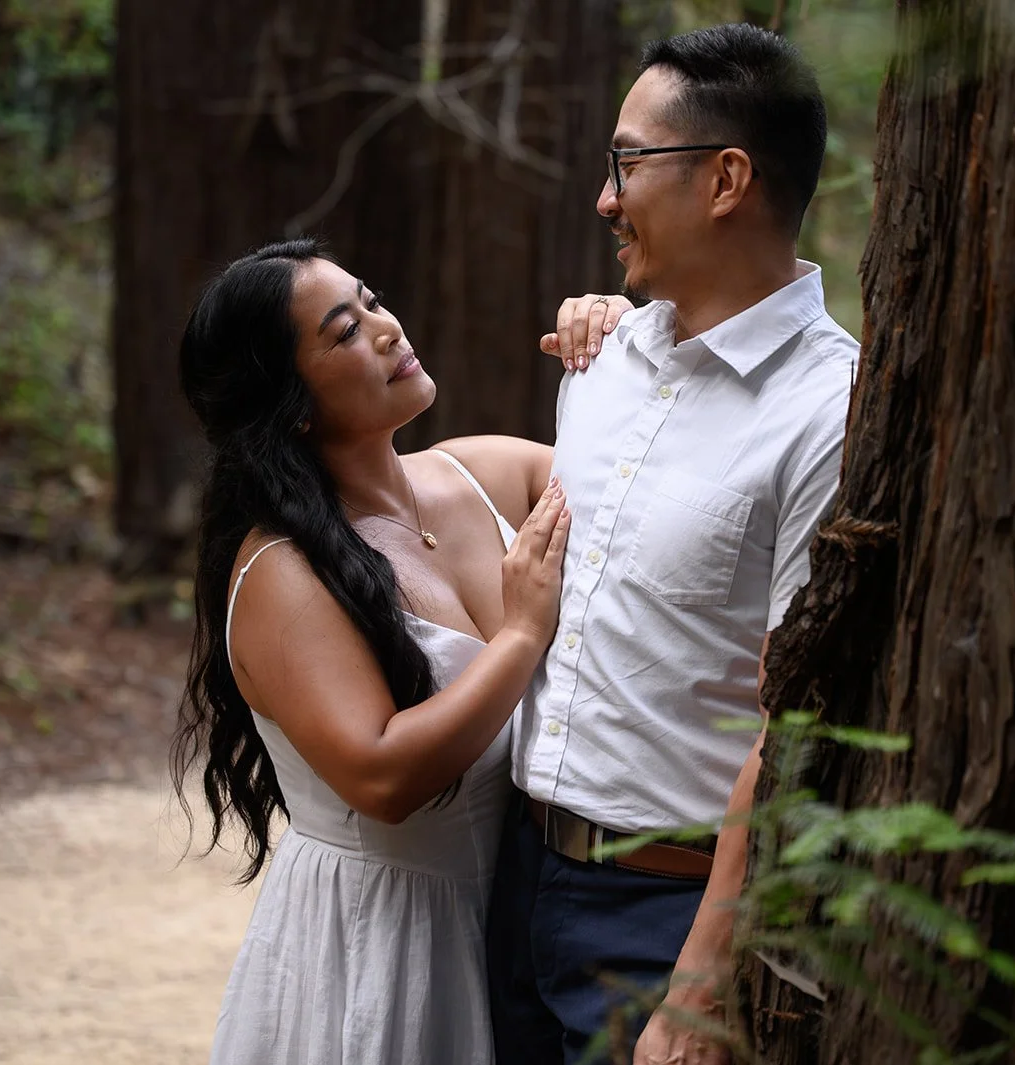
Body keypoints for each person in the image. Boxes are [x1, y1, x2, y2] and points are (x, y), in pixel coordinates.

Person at [487, 23, 859, 1065]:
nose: (606, 198)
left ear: (725, 178)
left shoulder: (827, 411)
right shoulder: (604, 359)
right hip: (519, 880)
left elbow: (791, 720)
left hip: (665, 919)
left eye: (628, 163)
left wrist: (700, 979)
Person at [172, 237, 625, 1064]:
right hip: (385, 943)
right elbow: (382, 777)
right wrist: (522, 634)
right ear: (291, 403)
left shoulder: (484, 473)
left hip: (524, 913)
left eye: (373, 302)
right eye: (344, 331)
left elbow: (646, 485)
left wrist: (631, 344)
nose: (385, 328)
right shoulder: (282, 568)